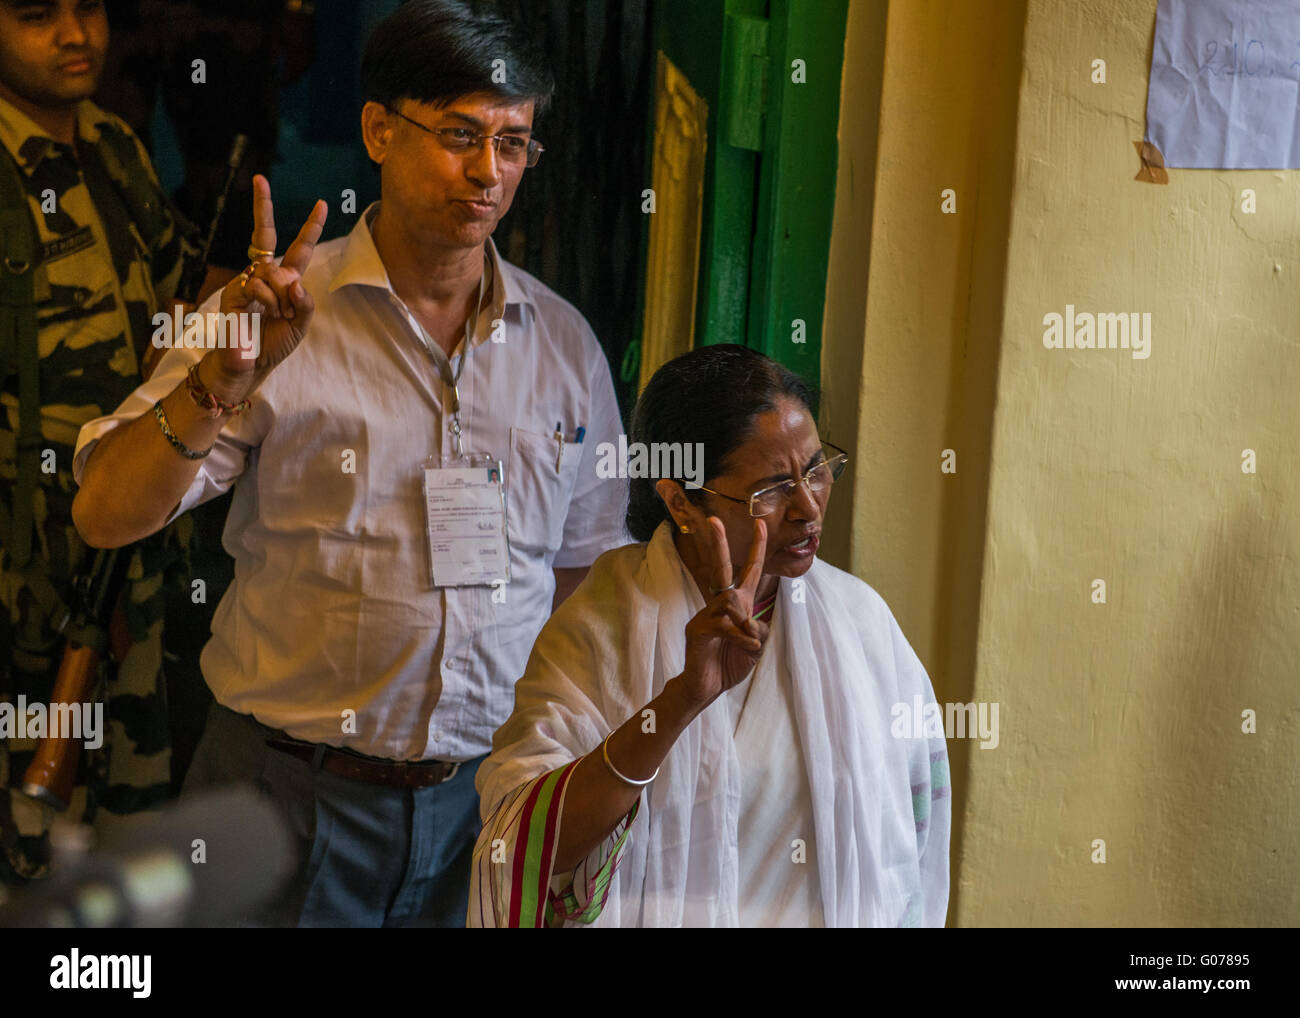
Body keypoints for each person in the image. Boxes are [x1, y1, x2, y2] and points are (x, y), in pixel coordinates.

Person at [70, 0, 628, 927]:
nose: (488, 171)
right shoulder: (274, 318)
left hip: (485, 803)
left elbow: (582, 577)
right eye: (458, 134)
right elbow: (104, 512)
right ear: (378, 129)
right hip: (288, 794)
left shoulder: (564, 349)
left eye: (514, 142)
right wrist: (217, 383)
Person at [470, 344, 950, 927]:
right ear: (680, 500)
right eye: (771, 488)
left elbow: (915, 843)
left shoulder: (862, 626)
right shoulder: (606, 625)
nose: (808, 508)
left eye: (817, 470)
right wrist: (681, 701)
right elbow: (524, 851)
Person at [0, 0, 206, 884]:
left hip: (129, 544)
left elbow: (177, 290)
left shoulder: (114, 145)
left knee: (132, 794)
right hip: (20, 564)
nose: (75, 33)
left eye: (87, 7)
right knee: (25, 822)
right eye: (37, 14)